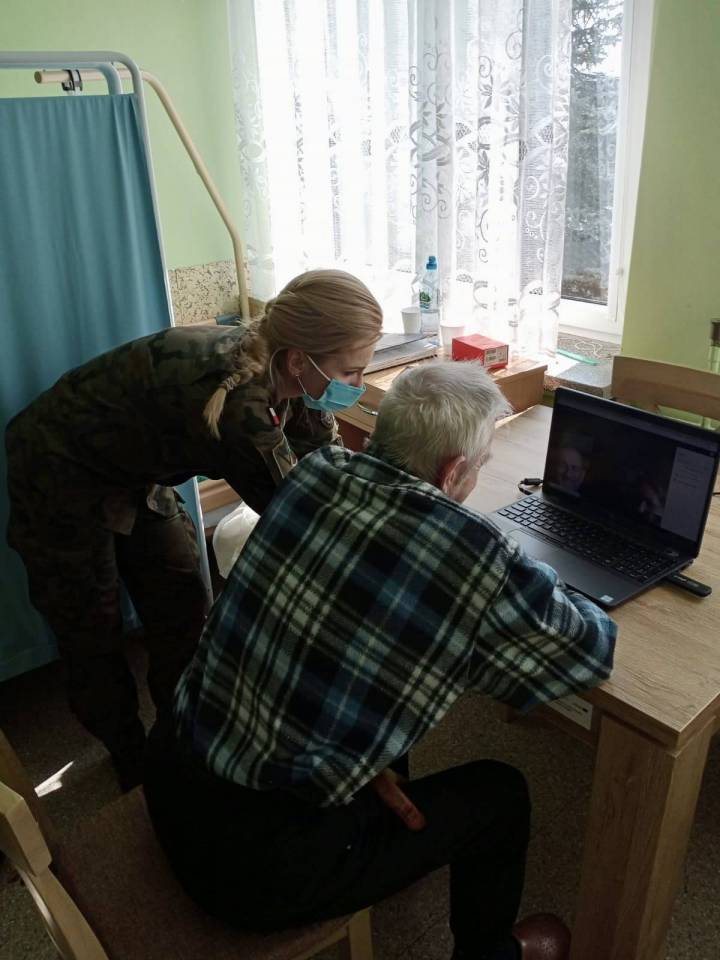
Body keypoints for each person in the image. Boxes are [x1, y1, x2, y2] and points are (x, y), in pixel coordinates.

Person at [143, 360, 617, 960]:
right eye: (481, 465)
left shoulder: (315, 473)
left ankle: (374, 835)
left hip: (171, 769)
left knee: (381, 680)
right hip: (253, 872)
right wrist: (536, 570)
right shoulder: (473, 556)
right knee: (501, 796)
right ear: (453, 471)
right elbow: (590, 651)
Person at [5, 269, 382, 789]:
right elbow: (299, 520)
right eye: (352, 372)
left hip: (133, 467)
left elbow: (326, 461)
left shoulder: (285, 366)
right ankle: (130, 758)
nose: (357, 386)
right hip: (59, 466)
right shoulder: (241, 405)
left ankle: (178, 736)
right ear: (301, 359)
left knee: (182, 600)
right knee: (90, 626)